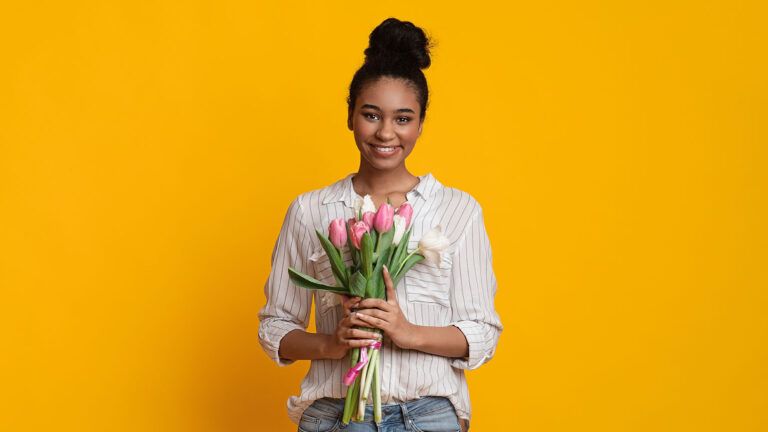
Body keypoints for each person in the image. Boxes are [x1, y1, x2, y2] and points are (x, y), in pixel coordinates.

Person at [258, 17, 502, 432]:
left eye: (403, 119)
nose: (386, 132)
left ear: (421, 123)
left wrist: (407, 332)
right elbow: (275, 327)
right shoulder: (311, 209)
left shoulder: (457, 210)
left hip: (428, 414)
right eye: (371, 115)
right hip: (336, 414)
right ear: (350, 116)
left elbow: (482, 332)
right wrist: (331, 344)